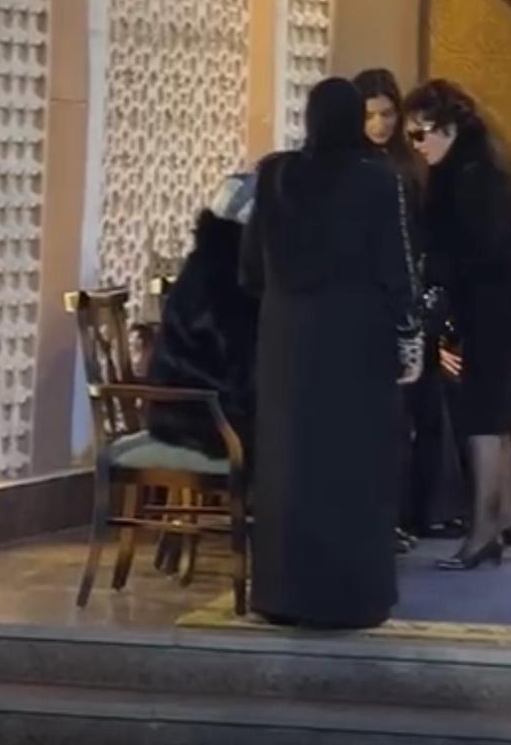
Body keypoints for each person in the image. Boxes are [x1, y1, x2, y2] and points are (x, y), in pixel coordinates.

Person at [240, 77, 414, 628]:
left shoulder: (275, 175)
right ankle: (349, 598)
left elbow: (250, 267)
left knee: (289, 461)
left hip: (286, 341)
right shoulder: (376, 180)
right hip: (355, 341)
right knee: (352, 466)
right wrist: (409, 337)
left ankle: (282, 593)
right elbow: (396, 268)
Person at [403, 79, 511, 570]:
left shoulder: (471, 176)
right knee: (495, 415)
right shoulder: (482, 164)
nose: (416, 146)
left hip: (494, 304)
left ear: (447, 128)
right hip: (509, 301)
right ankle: (500, 522)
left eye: (421, 134)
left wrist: (437, 285)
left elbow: (473, 250)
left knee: (481, 418)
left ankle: (482, 531)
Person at [354, 68, 445, 544]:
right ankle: (382, 518)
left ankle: (414, 512)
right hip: (369, 307)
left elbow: (424, 236)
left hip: (412, 302)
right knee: (379, 419)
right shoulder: (349, 167)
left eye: (387, 113)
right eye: (369, 115)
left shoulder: (411, 167)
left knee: (417, 412)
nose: (379, 124)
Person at [146, 173, 259, 467]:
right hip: (198, 413)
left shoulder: (214, 265)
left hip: (204, 404)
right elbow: (242, 359)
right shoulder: (224, 279)